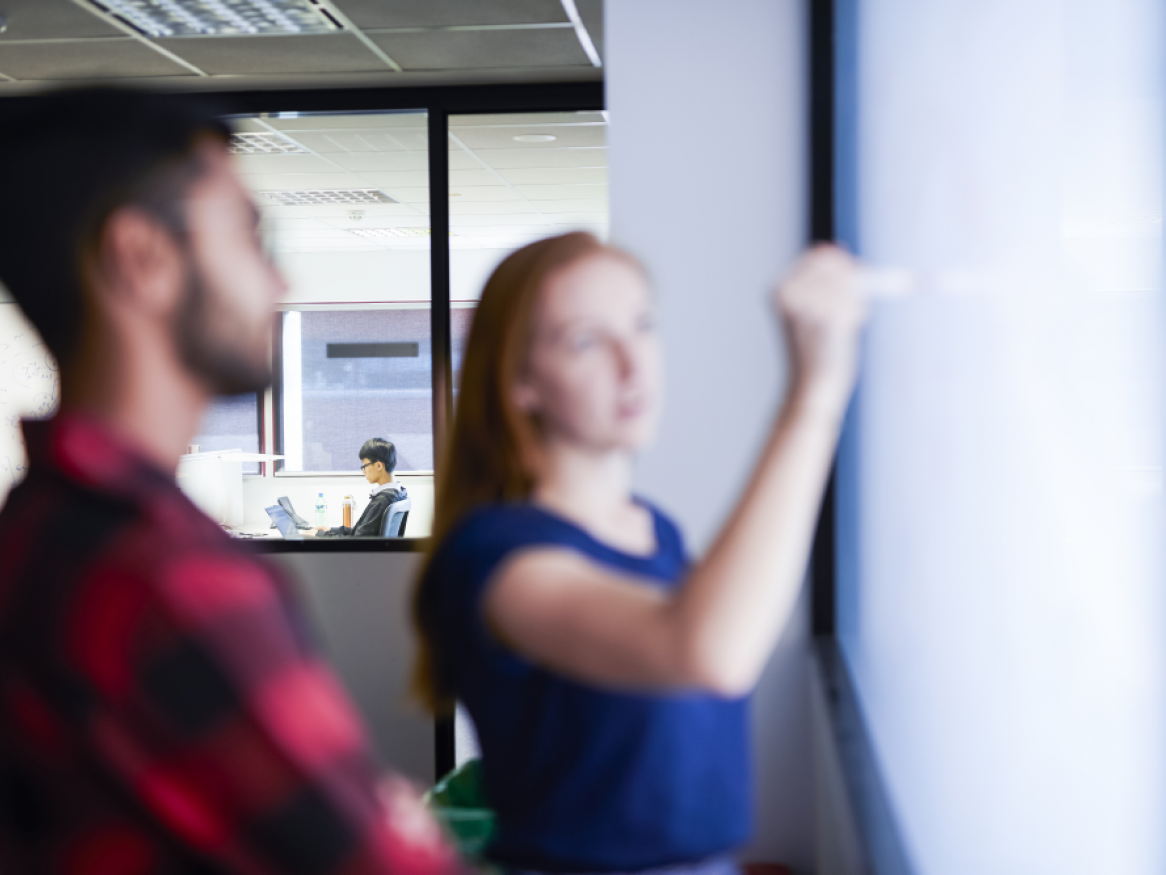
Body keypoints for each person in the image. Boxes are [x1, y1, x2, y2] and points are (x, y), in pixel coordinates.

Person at [0, 88, 460, 874]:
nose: (281, 281)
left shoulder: (32, 523)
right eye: (251, 236)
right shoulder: (170, 574)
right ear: (143, 257)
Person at [412, 232, 866, 873]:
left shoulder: (655, 530)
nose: (633, 363)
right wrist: (812, 398)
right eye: (587, 340)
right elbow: (708, 650)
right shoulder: (494, 559)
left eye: (642, 326)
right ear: (520, 382)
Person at [315, 438, 409, 538]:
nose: (363, 471)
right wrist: (330, 530)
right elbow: (362, 533)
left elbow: (357, 542)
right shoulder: (399, 493)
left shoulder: (382, 500)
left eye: (365, 465)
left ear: (378, 466)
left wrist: (319, 535)